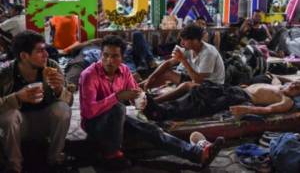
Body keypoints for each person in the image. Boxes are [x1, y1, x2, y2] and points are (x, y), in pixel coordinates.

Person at [79, 35, 224, 170]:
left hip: (116, 120)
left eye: (115, 56)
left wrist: (140, 100)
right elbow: (88, 112)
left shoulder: (124, 71)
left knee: (152, 130)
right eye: (105, 55)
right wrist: (117, 97)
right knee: (118, 108)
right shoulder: (89, 76)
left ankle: (199, 154)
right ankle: (112, 156)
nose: (109, 60)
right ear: (100, 55)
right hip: (94, 124)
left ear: (122, 57)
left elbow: (135, 92)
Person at [0, 30, 72, 173]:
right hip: (19, 127)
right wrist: (17, 97)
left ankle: (55, 158)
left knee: (63, 109)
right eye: (40, 51)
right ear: (24, 56)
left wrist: (59, 90)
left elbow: (69, 101)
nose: (46, 54)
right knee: (10, 116)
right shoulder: (5, 73)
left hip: (45, 123)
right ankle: (14, 166)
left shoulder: (52, 66)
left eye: (45, 50)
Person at [144, 80, 300, 121]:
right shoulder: (279, 85)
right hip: (235, 89)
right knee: (200, 90)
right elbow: (274, 76)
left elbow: (268, 110)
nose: (293, 85)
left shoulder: (287, 101)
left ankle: (161, 113)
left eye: (297, 87)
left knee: (203, 103)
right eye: (295, 82)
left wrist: (246, 109)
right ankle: (160, 106)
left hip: (241, 97)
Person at [142, 24, 225, 90]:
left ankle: (155, 102)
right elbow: (168, 63)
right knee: (167, 73)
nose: (182, 43)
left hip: (212, 87)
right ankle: (137, 88)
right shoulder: (189, 49)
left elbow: (198, 81)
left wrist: (183, 60)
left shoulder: (208, 52)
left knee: (185, 86)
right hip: (197, 80)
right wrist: (150, 78)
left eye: (184, 40)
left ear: (195, 40)